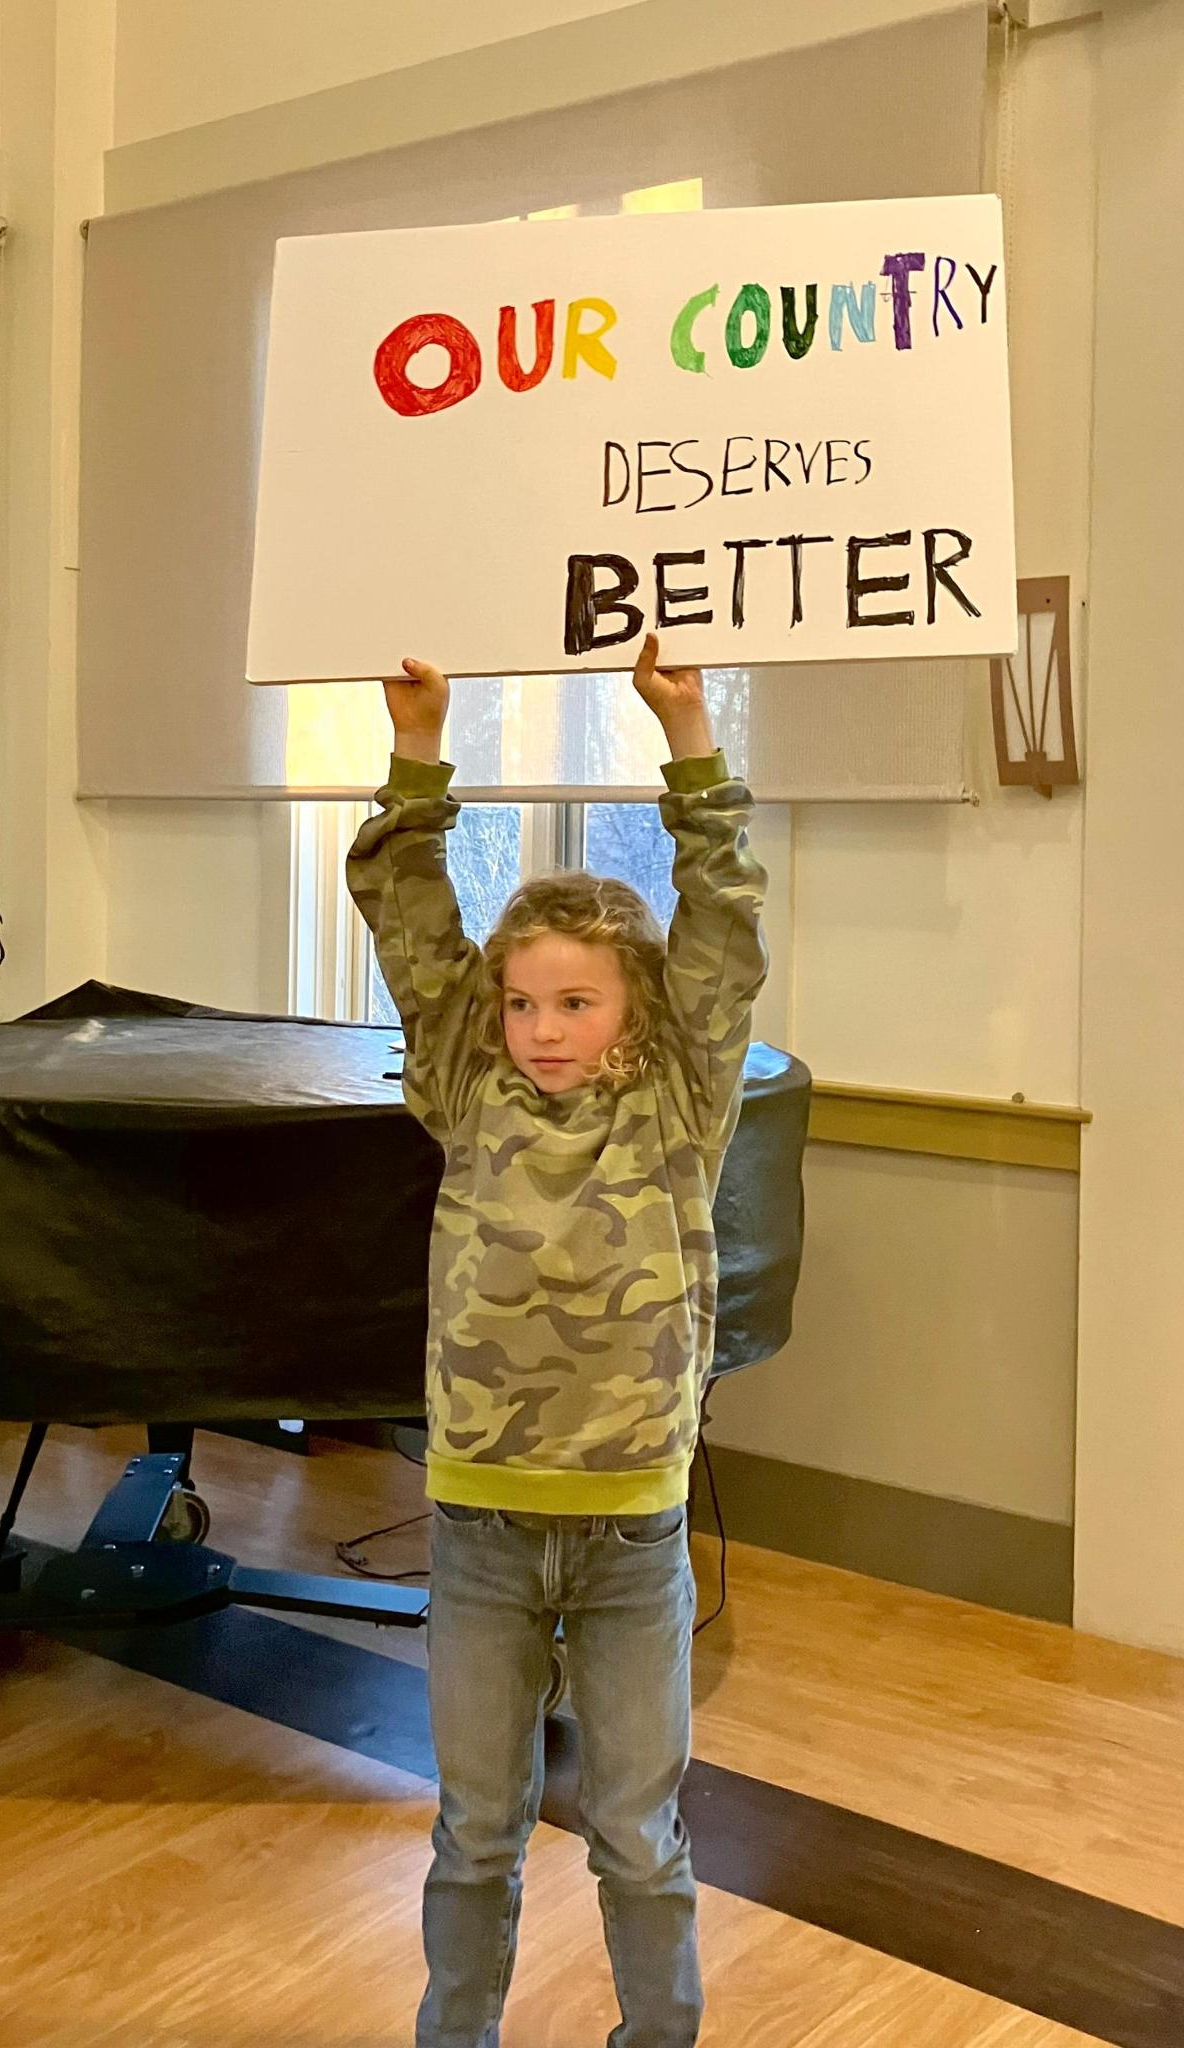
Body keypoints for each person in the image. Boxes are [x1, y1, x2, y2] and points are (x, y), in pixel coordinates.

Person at [346, 631, 769, 2048]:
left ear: (636, 1011)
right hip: (477, 1526)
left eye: (573, 1003)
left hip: (628, 1537)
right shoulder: (469, 1087)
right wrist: (418, 750)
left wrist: (689, 736)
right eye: (521, 1003)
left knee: (637, 1838)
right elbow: (411, 919)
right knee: (473, 1830)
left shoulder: (678, 1104)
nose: (539, 1030)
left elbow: (721, 924)